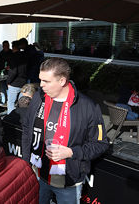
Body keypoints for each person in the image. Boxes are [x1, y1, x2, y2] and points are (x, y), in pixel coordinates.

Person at [22, 58, 109, 204]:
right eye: (40, 80)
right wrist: (25, 162)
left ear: (62, 81)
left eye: (46, 81)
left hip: (69, 182)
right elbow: (26, 129)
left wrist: (71, 152)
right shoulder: (39, 97)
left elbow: (100, 144)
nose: (41, 85)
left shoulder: (88, 106)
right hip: (38, 175)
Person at [7, 40, 27, 114]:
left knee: (11, 103)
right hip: (23, 82)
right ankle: (19, 119)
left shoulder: (13, 57)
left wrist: (8, 82)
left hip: (14, 83)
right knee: (21, 104)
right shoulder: (24, 56)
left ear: (13, 48)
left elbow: (13, 71)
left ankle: (10, 121)